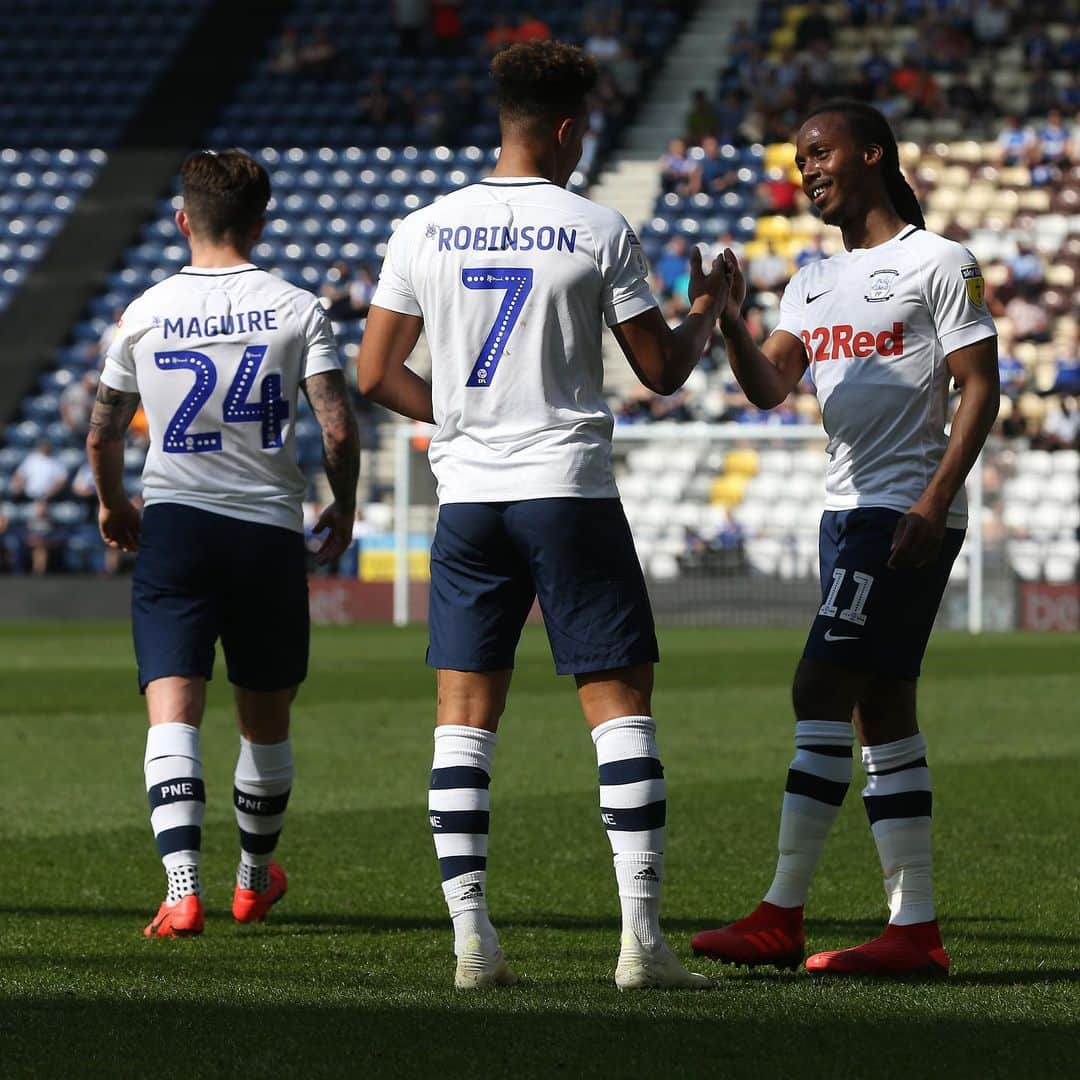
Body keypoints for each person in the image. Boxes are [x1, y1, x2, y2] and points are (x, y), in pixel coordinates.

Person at [357, 40, 726, 992]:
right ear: (569, 126)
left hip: (470, 498)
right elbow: (661, 370)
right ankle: (641, 944)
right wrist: (711, 310)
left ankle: (472, 942)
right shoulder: (596, 226)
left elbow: (373, 373)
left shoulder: (423, 228)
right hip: (566, 492)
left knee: (463, 719)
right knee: (618, 707)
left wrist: (467, 421)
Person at [691, 100, 999, 978]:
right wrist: (727, 321)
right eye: (799, 161)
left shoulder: (940, 262)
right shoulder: (814, 281)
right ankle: (915, 930)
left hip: (900, 510)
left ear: (872, 153)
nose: (808, 170)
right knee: (882, 708)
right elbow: (769, 385)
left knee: (819, 684)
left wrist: (933, 502)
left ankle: (779, 914)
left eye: (820, 154)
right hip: (845, 510)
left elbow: (980, 387)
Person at [87, 150, 360, 939]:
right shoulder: (296, 307)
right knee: (264, 718)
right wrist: (338, 509)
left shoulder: (143, 311)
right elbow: (337, 430)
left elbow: (103, 433)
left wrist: (113, 505)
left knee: (172, 711)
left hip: (174, 524)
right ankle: (249, 880)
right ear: (260, 223)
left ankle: (181, 890)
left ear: (183, 220)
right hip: (266, 527)